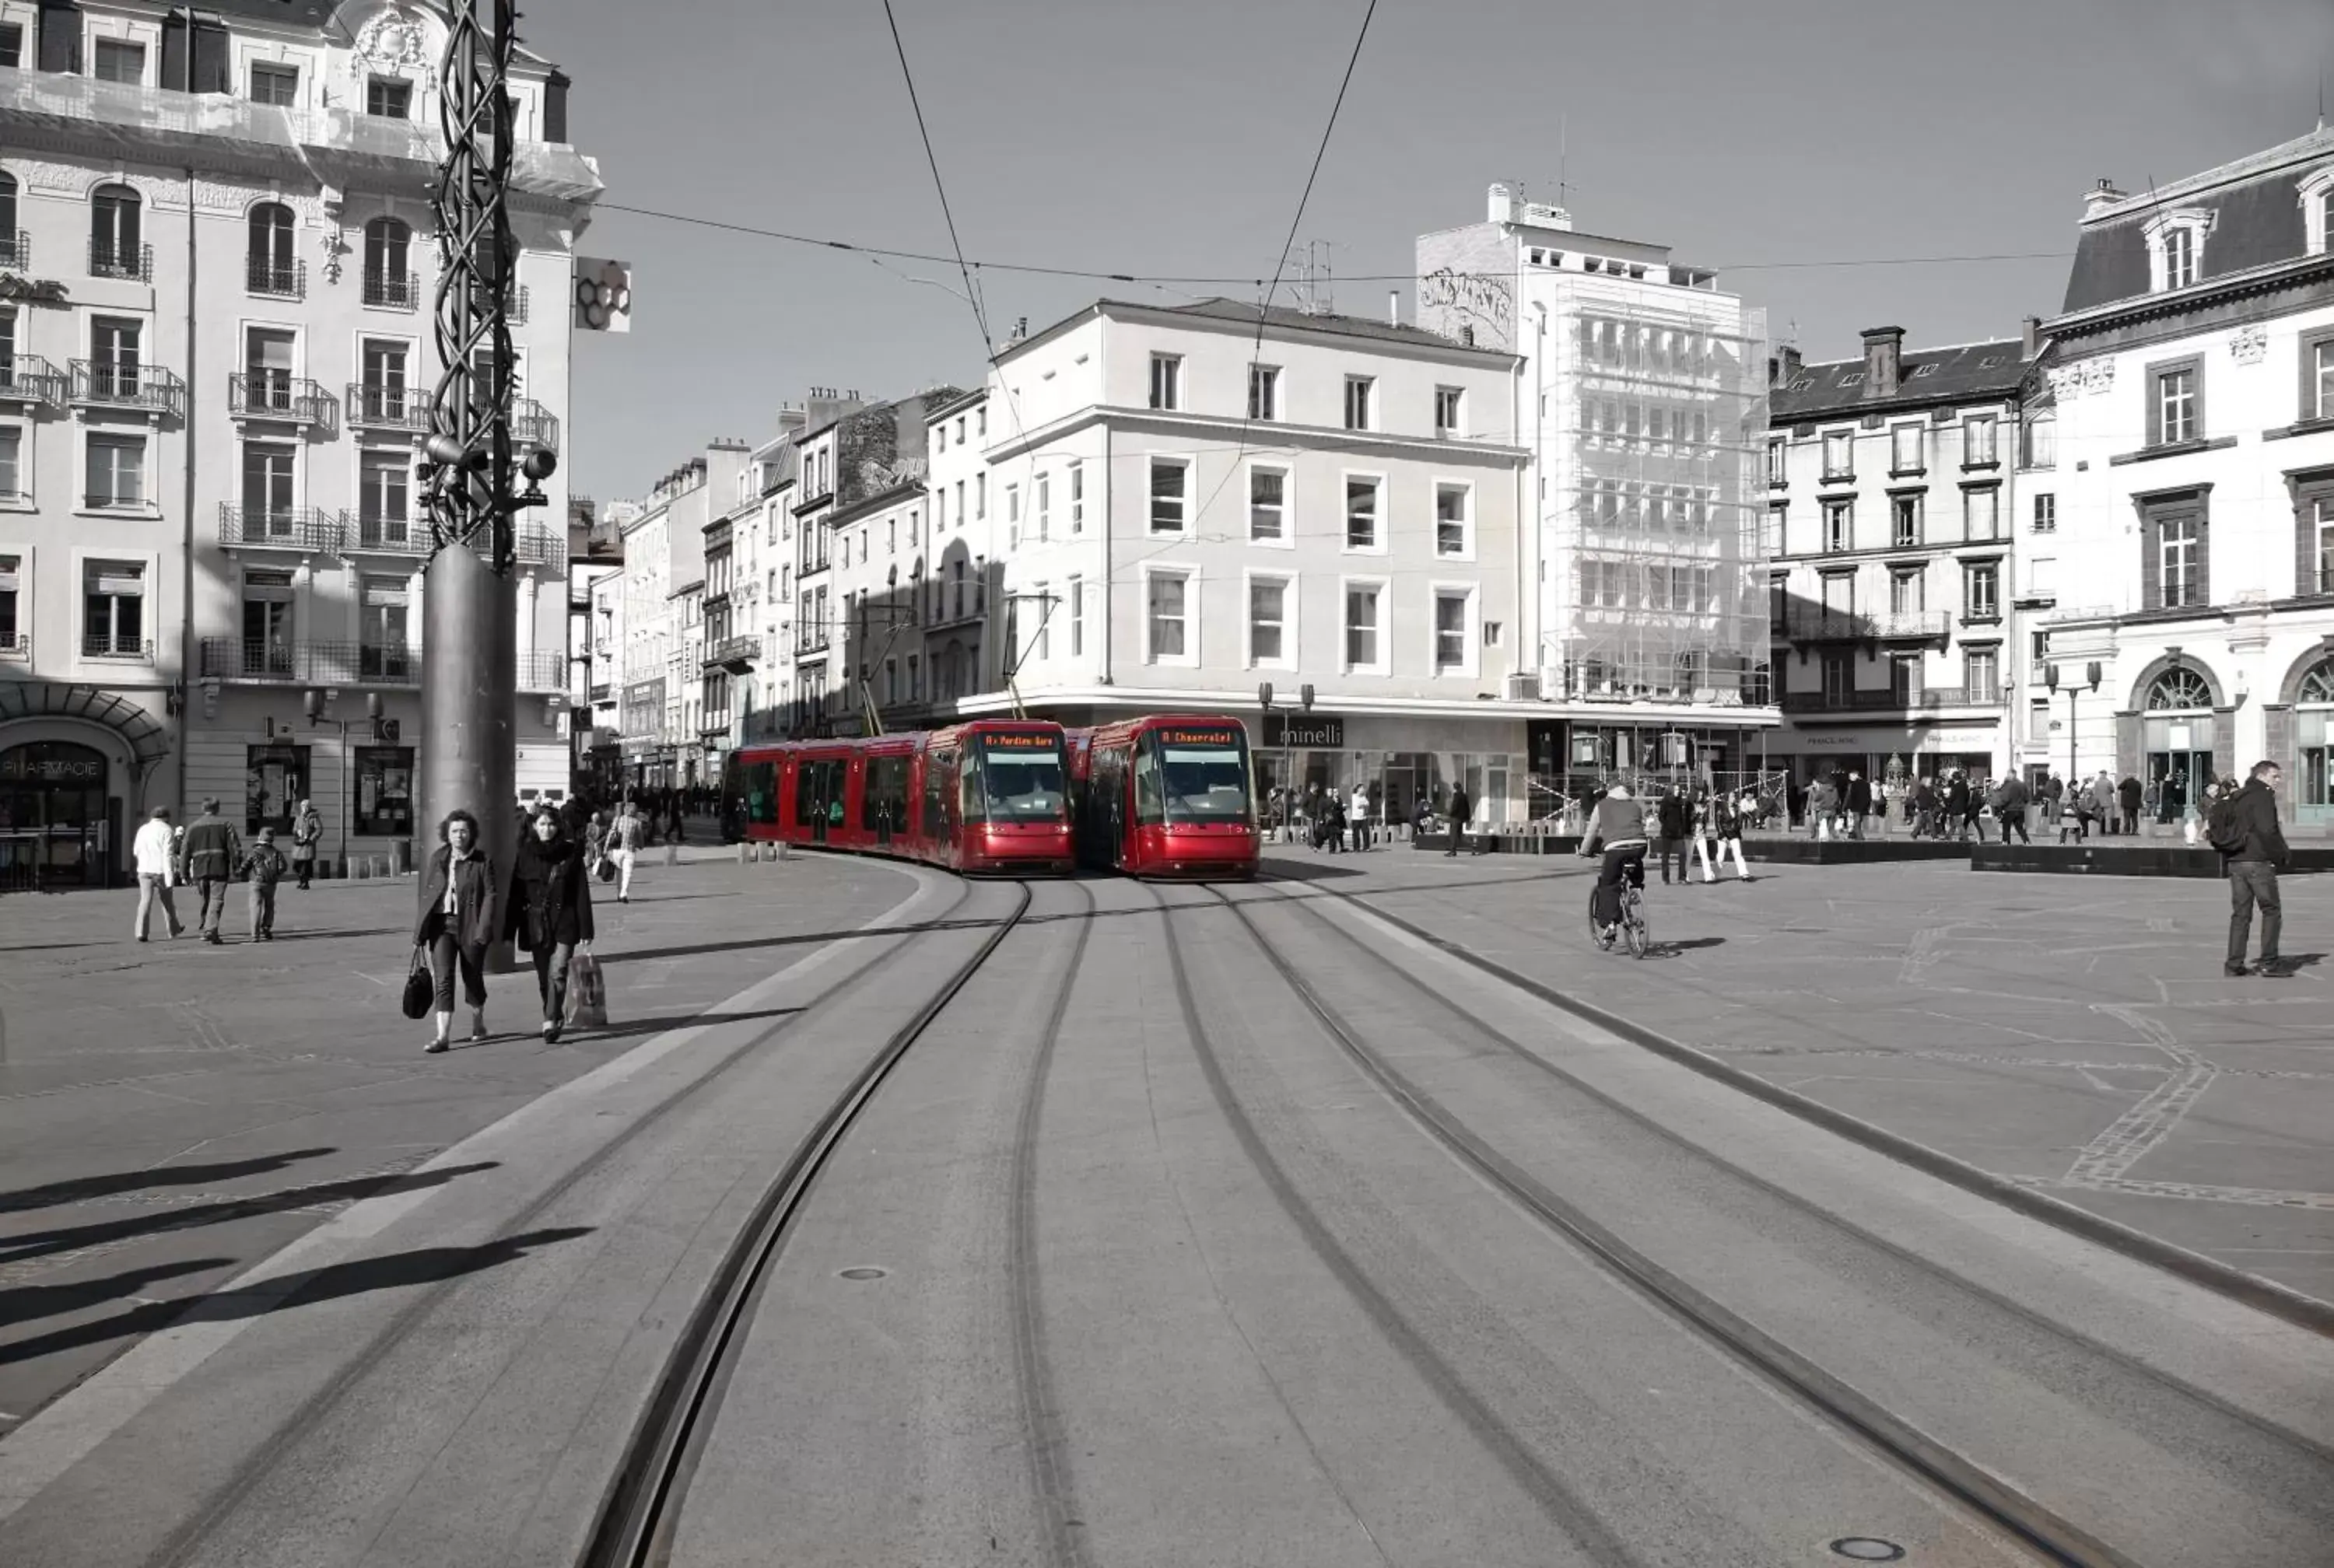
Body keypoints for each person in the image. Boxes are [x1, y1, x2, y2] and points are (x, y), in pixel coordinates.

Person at [506, 807, 595, 1041]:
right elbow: (516, 894)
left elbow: (581, 893)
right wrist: (509, 928)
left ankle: (550, 1020)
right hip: (535, 923)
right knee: (544, 975)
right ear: (534, 826)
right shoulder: (524, 853)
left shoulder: (570, 852)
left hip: (565, 921)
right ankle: (553, 1014)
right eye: (542, 824)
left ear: (559, 827)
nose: (547, 829)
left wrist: (586, 929)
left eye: (551, 824)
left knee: (559, 971)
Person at [415, 808, 496, 1052]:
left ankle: (478, 1022)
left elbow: (491, 895)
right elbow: (428, 895)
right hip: (442, 926)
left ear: (471, 834)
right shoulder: (439, 858)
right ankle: (442, 1036)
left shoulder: (483, 861)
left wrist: (484, 929)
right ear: (447, 834)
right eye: (454, 831)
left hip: (471, 925)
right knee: (444, 980)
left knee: (472, 979)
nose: (459, 836)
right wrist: (420, 931)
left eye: (463, 831)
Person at [2217, 761, 2290, 978]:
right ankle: (2269, 962)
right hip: (2258, 861)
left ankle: (2233, 964)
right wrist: (2281, 854)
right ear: (2262, 776)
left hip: (2236, 861)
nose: (2278, 781)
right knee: (2271, 910)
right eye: (2275, 776)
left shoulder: (2237, 795)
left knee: (2240, 914)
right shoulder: (2263, 796)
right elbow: (2268, 829)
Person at [1579, 784, 1651, 947]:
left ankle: (1611, 924)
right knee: (1635, 869)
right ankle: (1636, 890)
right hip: (1639, 845)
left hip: (1616, 848)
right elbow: (1640, 824)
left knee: (1608, 884)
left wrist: (1584, 851)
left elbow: (1592, 832)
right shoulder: (1634, 804)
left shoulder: (1602, 806)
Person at [180, 799, 242, 946]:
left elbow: (185, 851)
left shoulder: (193, 827)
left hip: (200, 868)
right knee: (216, 899)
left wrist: (184, 873)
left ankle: (205, 928)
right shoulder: (226, 825)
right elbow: (235, 848)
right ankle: (210, 929)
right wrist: (238, 867)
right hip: (219, 866)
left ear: (203, 808)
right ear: (217, 808)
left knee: (205, 899)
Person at [131, 806, 184, 942]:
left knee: (145, 901)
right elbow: (168, 854)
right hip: (160, 870)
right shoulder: (167, 830)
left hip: (144, 869)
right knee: (167, 902)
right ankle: (173, 930)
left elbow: (136, 851)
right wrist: (170, 876)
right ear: (166, 817)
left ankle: (141, 932)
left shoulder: (143, 829)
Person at [239, 828, 290, 941]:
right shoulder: (276, 852)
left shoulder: (254, 851)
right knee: (269, 905)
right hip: (270, 883)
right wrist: (275, 875)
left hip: (256, 881)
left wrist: (242, 874)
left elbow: (245, 866)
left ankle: (255, 934)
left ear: (260, 837)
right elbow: (283, 867)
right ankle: (266, 927)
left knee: (255, 906)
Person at [608, 801, 644, 902]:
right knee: (627, 873)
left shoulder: (617, 819)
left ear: (625, 810)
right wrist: (641, 846)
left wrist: (607, 848)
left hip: (617, 849)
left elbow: (611, 833)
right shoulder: (637, 823)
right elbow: (640, 837)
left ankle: (619, 892)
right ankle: (623, 893)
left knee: (619, 871)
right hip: (630, 850)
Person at [1655, 787, 1691, 885]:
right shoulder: (1665, 802)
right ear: (1670, 792)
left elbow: (1682, 816)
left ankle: (1682, 877)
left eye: (1678, 789)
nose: (1678, 791)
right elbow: (1661, 817)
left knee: (1683, 853)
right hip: (1667, 832)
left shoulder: (1680, 803)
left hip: (1679, 832)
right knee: (1666, 856)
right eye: (1675, 789)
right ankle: (1666, 878)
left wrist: (1682, 828)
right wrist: (1668, 825)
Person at [289, 799, 321, 890]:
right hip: (299, 843)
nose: (305, 808)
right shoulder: (298, 817)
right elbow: (294, 829)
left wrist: (311, 839)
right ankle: (301, 880)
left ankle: (305, 882)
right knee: (296, 865)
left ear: (309, 807)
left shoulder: (314, 817)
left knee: (306, 865)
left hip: (308, 845)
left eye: (306, 806)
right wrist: (297, 832)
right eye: (303, 806)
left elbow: (318, 830)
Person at [1445, 783, 1471, 856]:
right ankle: (1472, 846)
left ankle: (1453, 851)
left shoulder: (1457, 796)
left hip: (1455, 818)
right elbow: (1467, 807)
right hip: (1461, 818)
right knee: (1460, 835)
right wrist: (1467, 818)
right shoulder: (1464, 795)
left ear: (1455, 788)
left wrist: (1450, 814)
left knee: (1453, 835)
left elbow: (1455, 807)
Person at [1349, 782, 1372, 852]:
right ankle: (1356, 848)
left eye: (1364, 789)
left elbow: (1367, 804)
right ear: (1358, 789)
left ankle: (1366, 847)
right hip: (1355, 818)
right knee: (1356, 834)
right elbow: (1358, 805)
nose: (1363, 790)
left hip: (1363, 818)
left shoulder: (1364, 797)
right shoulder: (1354, 796)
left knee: (1366, 832)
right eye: (1362, 788)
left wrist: (1363, 804)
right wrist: (1363, 804)